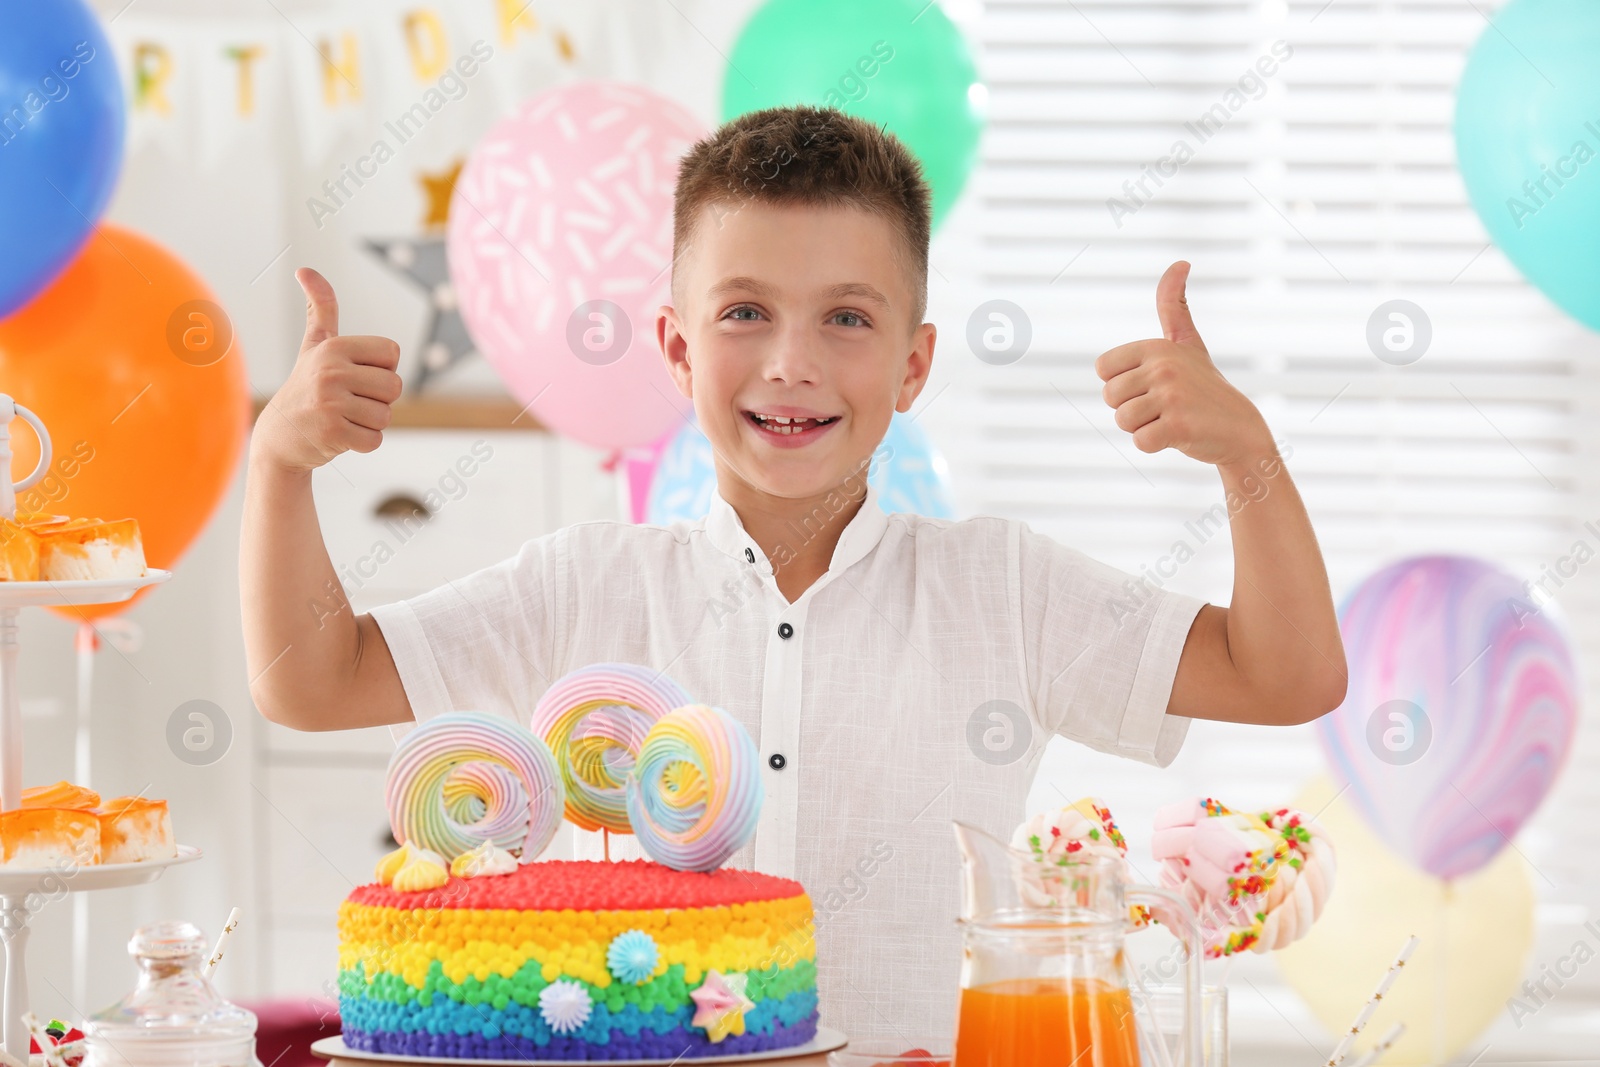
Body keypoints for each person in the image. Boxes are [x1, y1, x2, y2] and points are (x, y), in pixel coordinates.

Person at [240, 105, 1346, 1041]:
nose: (791, 362)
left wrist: (1247, 455)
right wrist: (280, 466)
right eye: (744, 313)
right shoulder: (581, 583)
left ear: (913, 364)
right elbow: (314, 679)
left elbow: (1282, 676)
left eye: (848, 319)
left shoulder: (1001, 586)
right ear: (676, 348)